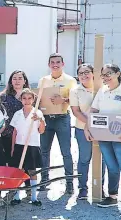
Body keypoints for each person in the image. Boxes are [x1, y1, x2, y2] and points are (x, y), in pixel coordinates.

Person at [88, 63, 121, 215]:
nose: (106, 77)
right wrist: (87, 127)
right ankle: (112, 196)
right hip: (105, 136)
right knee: (112, 167)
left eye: (109, 74)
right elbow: (93, 110)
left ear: (117, 73)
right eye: (103, 75)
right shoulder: (102, 91)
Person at [37, 53, 76, 193]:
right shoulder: (43, 80)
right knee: (44, 151)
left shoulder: (70, 80)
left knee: (66, 152)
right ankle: (44, 179)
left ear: (62, 64)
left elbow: (76, 100)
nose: (55, 64)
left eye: (58, 62)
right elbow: (38, 99)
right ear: (49, 65)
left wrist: (64, 100)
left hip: (62, 118)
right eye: (52, 62)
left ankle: (69, 182)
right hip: (46, 118)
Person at [70, 64, 107, 200]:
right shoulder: (75, 91)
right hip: (82, 129)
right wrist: (90, 124)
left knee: (100, 160)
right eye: (81, 73)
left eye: (87, 72)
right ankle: (82, 188)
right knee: (84, 159)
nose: (84, 75)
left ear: (93, 73)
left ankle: (99, 188)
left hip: (102, 130)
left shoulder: (102, 88)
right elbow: (76, 111)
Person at [9, 89, 46, 206]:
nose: (27, 101)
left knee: (32, 171)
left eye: (29, 98)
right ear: (21, 100)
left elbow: (41, 130)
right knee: (19, 170)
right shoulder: (17, 114)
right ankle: (16, 196)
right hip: (20, 145)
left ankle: (34, 197)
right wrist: (12, 147)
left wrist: (40, 120)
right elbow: (14, 131)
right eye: (24, 98)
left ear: (33, 99)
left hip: (32, 145)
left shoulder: (37, 113)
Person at [0, 70, 31, 165]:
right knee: (9, 161)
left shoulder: (30, 97)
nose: (17, 81)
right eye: (14, 78)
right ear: (11, 81)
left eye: (20, 78)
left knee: (25, 163)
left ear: (24, 81)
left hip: (24, 133)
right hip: (7, 132)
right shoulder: (3, 96)